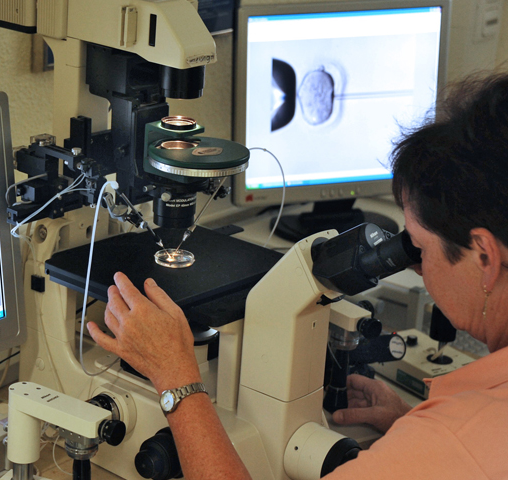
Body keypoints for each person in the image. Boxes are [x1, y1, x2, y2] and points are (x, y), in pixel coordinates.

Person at [87, 72, 508, 479]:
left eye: (419, 245)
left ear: (485, 256)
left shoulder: (457, 439)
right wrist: (411, 426)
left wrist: (175, 378)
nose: (414, 262)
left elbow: (461, 449)